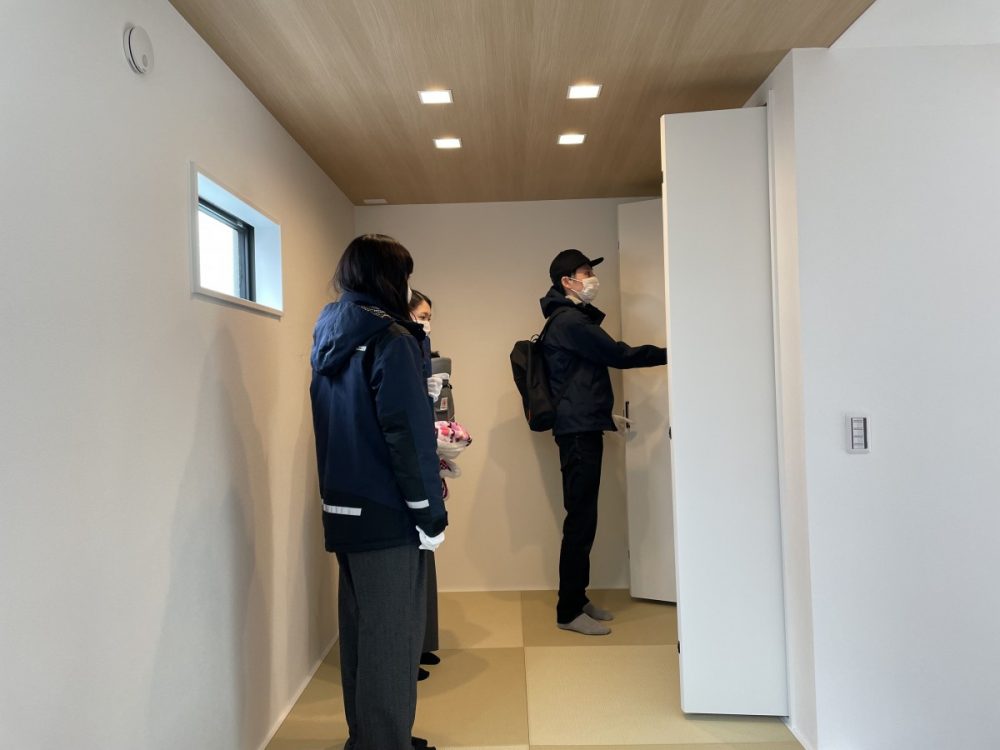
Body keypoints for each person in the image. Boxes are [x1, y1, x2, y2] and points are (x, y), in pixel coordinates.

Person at [310, 234, 447, 750]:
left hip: (342, 504)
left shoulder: (331, 330)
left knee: (362, 633)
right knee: (392, 638)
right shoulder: (391, 339)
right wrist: (430, 513)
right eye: (405, 275)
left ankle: (368, 739)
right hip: (387, 511)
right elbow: (407, 435)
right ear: (390, 278)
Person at [540, 248, 667, 636]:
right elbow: (618, 355)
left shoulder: (569, 319)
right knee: (580, 521)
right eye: (584, 272)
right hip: (577, 433)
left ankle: (577, 599)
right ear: (567, 282)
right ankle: (568, 611)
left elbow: (581, 379)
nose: (592, 279)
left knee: (584, 519)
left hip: (581, 427)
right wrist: (672, 353)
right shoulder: (569, 321)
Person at [407, 289, 443, 680]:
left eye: (430, 316)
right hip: (405, 478)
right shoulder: (398, 347)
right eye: (421, 316)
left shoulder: (421, 347)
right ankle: (407, 654)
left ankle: (420, 644)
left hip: (424, 464)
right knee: (408, 574)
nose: (426, 322)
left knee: (424, 564)